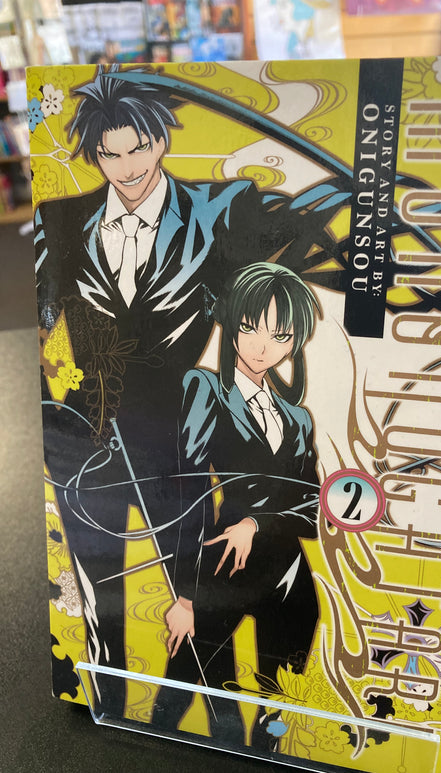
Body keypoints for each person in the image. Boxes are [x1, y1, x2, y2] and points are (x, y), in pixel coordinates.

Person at [33, 65, 349, 715]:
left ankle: (212, 718)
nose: (126, 168)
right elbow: (41, 327)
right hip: (84, 444)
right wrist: (52, 412)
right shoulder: (60, 218)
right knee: (98, 600)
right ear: (94, 154)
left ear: (160, 140)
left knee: (198, 600)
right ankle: (104, 704)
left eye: (138, 149)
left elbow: (270, 282)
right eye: (109, 155)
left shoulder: (219, 210)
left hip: (182, 439)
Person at [152, 262, 320, 747]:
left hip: (288, 576)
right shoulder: (205, 389)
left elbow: (311, 507)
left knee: (278, 705)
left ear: (294, 342)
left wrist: (255, 522)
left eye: (279, 335)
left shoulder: (298, 418)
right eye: (249, 327)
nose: (262, 346)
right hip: (223, 563)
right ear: (231, 322)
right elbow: (188, 490)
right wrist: (186, 596)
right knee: (176, 692)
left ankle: (269, 750)